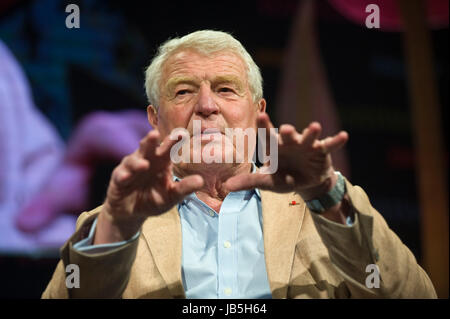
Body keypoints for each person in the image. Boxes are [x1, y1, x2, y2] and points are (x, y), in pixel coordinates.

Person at [42, 30, 436, 298]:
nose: (207, 105)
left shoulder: (330, 206)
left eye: (226, 89)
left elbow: (410, 293)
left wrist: (324, 194)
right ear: (155, 120)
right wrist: (119, 226)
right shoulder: (109, 226)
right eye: (183, 91)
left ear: (258, 109)